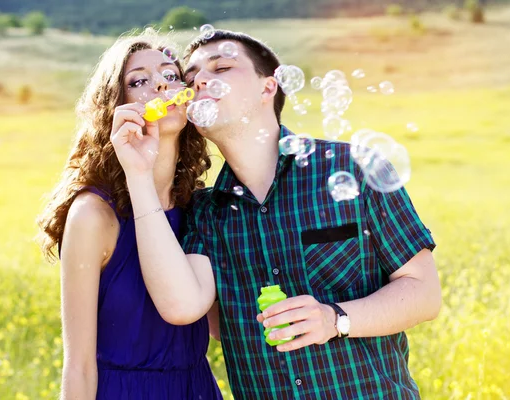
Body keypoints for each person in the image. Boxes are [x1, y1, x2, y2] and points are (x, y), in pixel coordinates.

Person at [120, 29, 442, 399]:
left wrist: (334, 319)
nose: (199, 82)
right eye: (190, 78)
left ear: (267, 88)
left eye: (221, 67)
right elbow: (182, 307)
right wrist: (139, 173)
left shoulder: (355, 167)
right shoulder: (206, 213)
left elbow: (423, 292)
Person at [36, 29, 222, 400]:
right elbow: (79, 366)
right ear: (115, 106)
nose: (161, 87)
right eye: (139, 81)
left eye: (171, 76)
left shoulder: (200, 209)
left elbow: (221, 327)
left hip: (196, 389)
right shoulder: (94, 216)